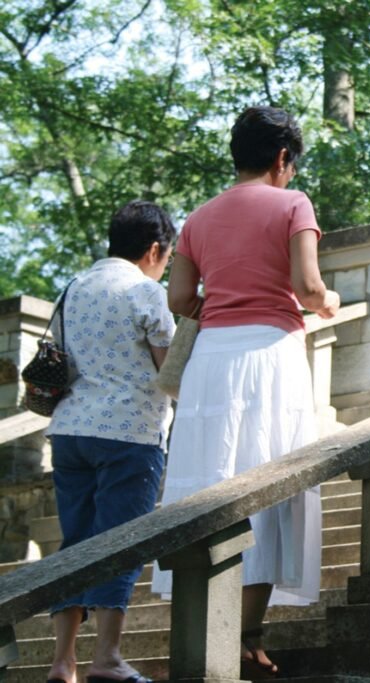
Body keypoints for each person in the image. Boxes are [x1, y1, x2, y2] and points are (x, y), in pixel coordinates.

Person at [150, 105, 340, 679]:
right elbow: (308, 287)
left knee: (211, 480)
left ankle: (207, 626)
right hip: (269, 355)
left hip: (211, 360)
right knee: (266, 480)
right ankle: (247, 638)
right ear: (284, 158)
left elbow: (179, 298)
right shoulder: (292, 203)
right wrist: (328, 302)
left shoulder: (198, 218)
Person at [45, 200, 177, 683]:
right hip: (129, 434)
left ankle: (63, 662)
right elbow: (171, 370)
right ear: (154, 249)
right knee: (119, 544)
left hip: (70, 432)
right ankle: (107, 660)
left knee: (75, 544)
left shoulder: (73, 287)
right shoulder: (146, 292)